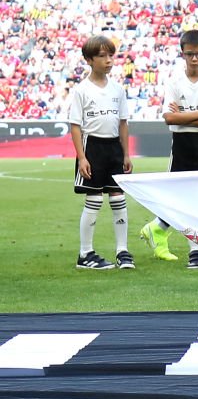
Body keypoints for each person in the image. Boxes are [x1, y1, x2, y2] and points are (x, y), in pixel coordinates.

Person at [142, 30, 198, 268]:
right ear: (183, 55)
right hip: (181, 144)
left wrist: (183, 115)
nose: (195, 59)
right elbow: (168, 118)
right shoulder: (174, 83)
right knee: (182, 198)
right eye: (190, 54)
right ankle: (194, 250)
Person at [68, 35, 133, 270]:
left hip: (114, 148)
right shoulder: (81, 90)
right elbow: (75, 126)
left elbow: (123, 123)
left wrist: (126, 154)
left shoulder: (117, 89)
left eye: (111, 55)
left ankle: (123, 251)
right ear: (89, 60)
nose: (108, 60)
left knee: (118, 199)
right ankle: (85, 254)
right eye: (102, 56)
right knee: (94, 199)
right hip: (92, 148)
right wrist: (82, 157)